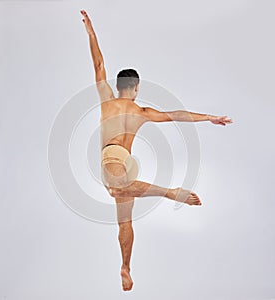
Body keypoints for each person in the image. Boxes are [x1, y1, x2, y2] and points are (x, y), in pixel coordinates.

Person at [80, 9, 232, 291]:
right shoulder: (142, 110)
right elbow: (178, 114)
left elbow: (99, 64)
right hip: (126, 163)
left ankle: (170, 192)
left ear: (119, 86)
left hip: (113, 159)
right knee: (123, 220)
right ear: (136, 88)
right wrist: (210, 117)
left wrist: (91, 32)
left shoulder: (107, 101)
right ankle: (125, 266)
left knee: (115, 189)